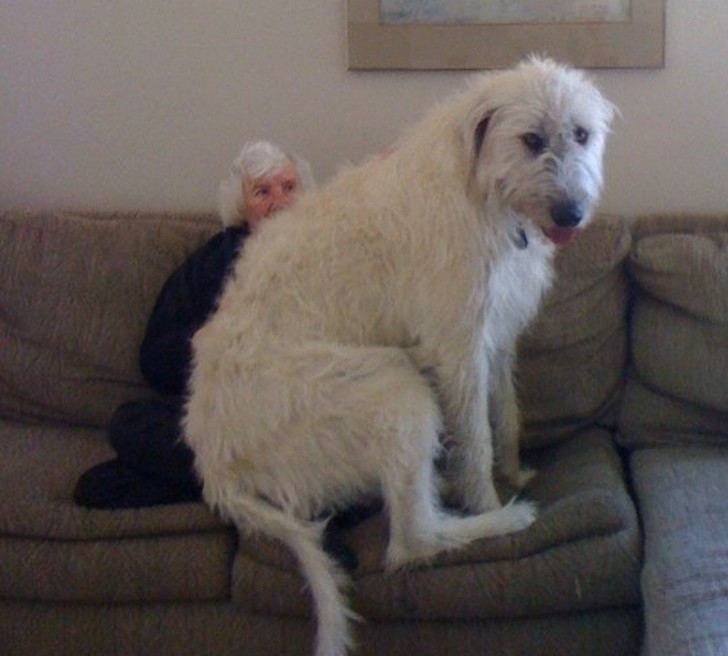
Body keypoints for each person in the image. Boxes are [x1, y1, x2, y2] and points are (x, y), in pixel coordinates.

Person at [74, 141, 315, 510]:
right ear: (241, 205)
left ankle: (252, 484)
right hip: (223, 420)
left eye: (289, 187)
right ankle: (270, 488)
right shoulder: (210, 262)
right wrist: (203, 342)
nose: (280, 202)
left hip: (296, 418)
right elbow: (155, 362)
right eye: (262, 192)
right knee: (126, 429)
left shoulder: (327, 255)